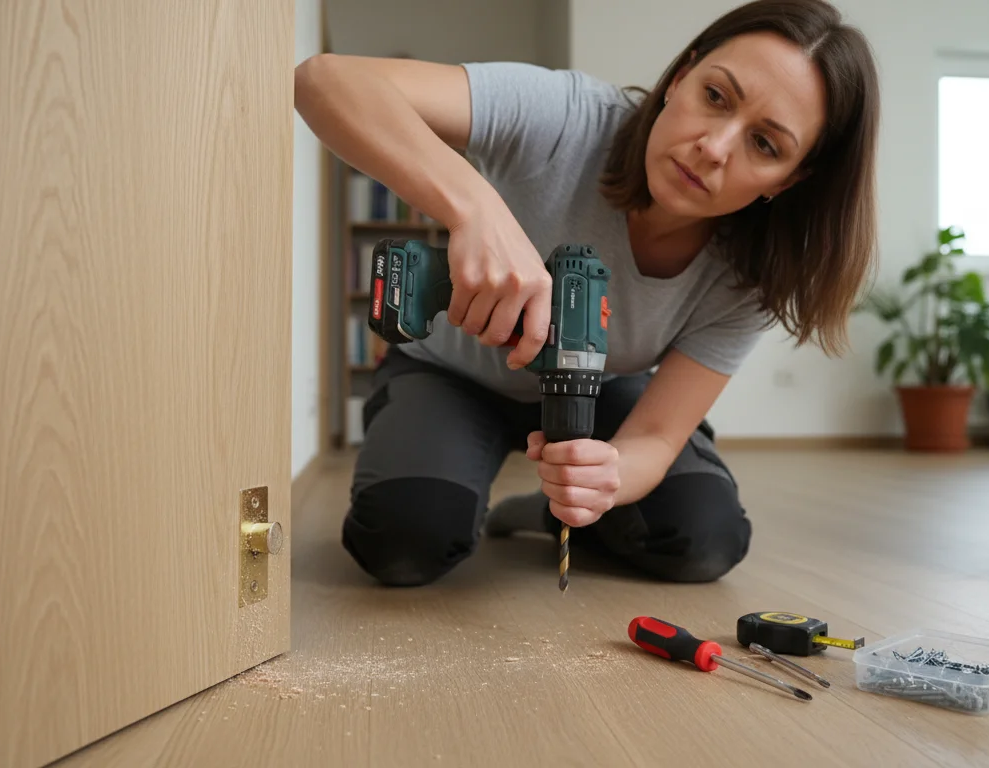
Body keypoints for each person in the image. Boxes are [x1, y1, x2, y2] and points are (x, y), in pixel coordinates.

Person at [294, 0, 880, 587]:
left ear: (791, 179)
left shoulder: (756, 271)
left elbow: (656, 434)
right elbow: (326, 80)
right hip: (450, 373)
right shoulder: (567, 118)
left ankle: (551, 516)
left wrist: (606, 478)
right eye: (716, 97)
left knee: (702, 538)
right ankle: (458, 495)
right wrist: (477, 211)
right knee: (404, 540)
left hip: (596, 387)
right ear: (681, 78)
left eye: (765, 145)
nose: (715, 146)